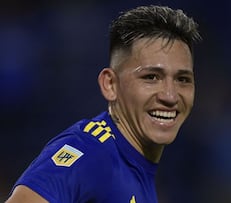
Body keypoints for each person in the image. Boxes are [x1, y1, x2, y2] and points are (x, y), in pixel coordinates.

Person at [6, 5, 201, 203]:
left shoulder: (134, 164)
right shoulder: (89, 154)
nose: (170, 96)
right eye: (151, 77)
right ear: (110, 84)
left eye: (183, 79)